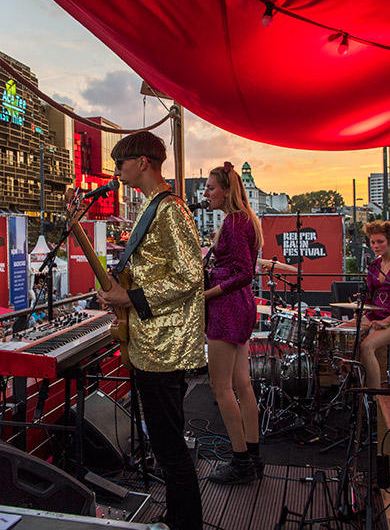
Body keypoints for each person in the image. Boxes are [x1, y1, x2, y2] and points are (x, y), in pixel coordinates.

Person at [97, 131, 205, 530]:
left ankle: (185, 523)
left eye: (121, 164)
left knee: (170, 447)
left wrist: (129, 298)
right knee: (164, 445)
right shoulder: (153, 207)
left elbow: (190, 276)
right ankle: (177, 517)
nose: (117, 172)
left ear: (143, 161)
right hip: (152, 341)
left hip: (164, 346)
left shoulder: (170, 210)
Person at [202, 162, 265, 484]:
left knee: (220, 387)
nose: (206, 192)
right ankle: (253, 457)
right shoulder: (244, 220)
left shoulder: (234, 223)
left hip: (227, 307)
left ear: (226, 190)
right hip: (241, 307)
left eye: (211, 187)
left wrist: (206, 295)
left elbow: (243, 273)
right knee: (242, 385)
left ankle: (240, 463)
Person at [343, 220, 390, 387]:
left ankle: (374, 395)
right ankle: (349, 383)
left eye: (380, 241)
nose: (375, 246)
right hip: (375, 314)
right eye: (373, 242)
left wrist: (386, 322)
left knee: (367, 346)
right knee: (342, 332)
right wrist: (361, 313)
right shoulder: (374, 265)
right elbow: (369, 296)